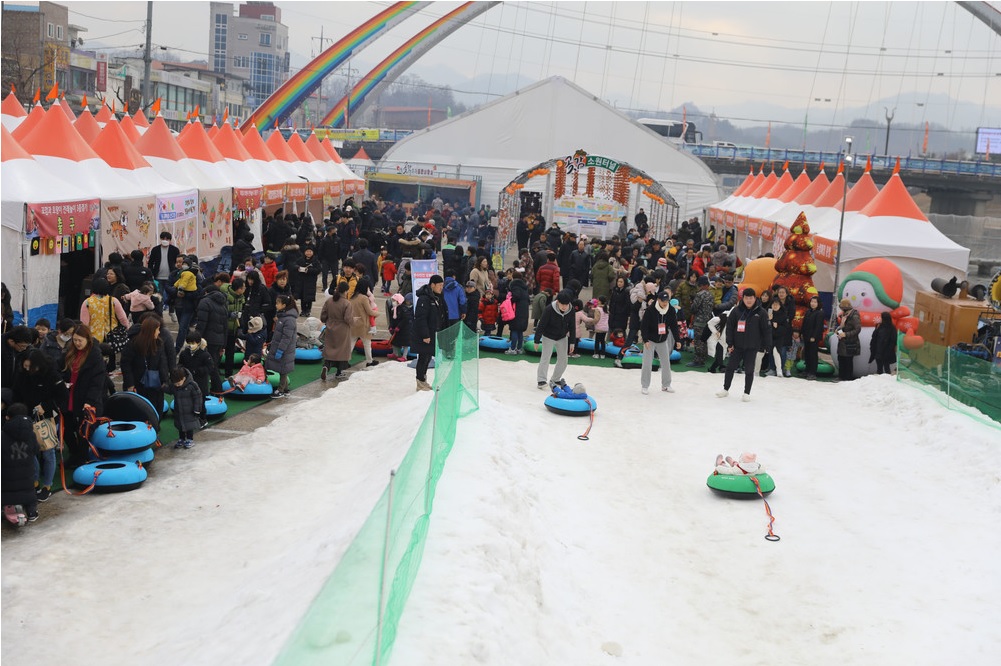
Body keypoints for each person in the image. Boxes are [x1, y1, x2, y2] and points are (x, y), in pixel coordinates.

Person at [11, 350, 66, 503]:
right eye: (25, 367)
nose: (28, 369)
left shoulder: (52, 374)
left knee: (48, 452)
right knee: (30, 451)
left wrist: (47, 407)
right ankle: (34, 482)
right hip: (27, 416)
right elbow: (16, 394)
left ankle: (47, 485)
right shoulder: (22, 375)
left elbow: (63, 397)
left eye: (30, 367)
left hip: (47, 418)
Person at [59, 324, 108, 467]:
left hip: (87, 400)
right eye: (75, 340)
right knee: (67, 428)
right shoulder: (70, 352)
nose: (77, 343)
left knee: (84, 431)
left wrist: (89, 401)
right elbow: (60, 368)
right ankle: (74, 454)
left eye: (80, 340)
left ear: (87, 339)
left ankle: (81, 457)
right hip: (70, 396)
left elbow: (97, 382)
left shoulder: (95, 356)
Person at [716, 288, 771, 402]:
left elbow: (766, 330)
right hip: (737, 346)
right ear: (743, 298)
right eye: (746, 298)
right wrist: (730, 343)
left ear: (755, 298)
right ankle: (725, 389)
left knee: (749, 370)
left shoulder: (761, 312)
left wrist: (766, 345)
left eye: (751, 298)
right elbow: (729, 328)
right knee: (730, 368)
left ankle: (746, 393)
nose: (749, 300)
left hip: (752, 347)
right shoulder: (736, 311)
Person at [120, 317, 170, 417]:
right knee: (139, 411)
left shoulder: (158, 343)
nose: (159, 332)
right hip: (138, 384)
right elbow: (125, 365)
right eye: (157, 329)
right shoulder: (133, 344)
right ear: (151, 331)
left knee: (156, 410)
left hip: (155, 385)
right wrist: (130, 384)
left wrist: (164, 380)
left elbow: (162, 363)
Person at [1, 396, 39, 523]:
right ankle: (31, 511)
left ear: (8, 417)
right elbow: (36, 450)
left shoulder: (3, 435)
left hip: (7, 477)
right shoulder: (31, 434)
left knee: (7, 488)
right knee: (28, 490)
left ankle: (6, 507)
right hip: (27, 474)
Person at [639, 290, 683, 394]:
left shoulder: (670, 310)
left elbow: (674, 326)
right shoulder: (650, 310)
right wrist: (645, 340)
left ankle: (666, 385)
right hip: (650, 340)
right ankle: (645, 385)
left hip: (663, 340)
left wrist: (677, 340)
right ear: (658, 300)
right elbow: (644, 326)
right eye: (663, 301)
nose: (665, 303)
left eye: (667, 301)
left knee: (666, 363)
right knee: (647, 363)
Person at [534, 290, 576, 390]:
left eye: (566, 304)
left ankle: (556, 379)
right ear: (557, 302)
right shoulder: (549, 309)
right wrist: (536, 340)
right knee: (545, 357)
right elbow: (541, 325)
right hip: (548, 336)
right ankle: (541, 380)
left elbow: (572, 326)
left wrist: (572, 342)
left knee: (563, 359)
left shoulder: (571, 310)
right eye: (562, 304)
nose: (564, 307)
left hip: (562, 337)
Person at [413, 275, 447, 391]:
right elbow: (420, 318)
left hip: (434, 333)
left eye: (442, 285)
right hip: (426, 335)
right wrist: (425, 335)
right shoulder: (424, 299)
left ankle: (423, 380)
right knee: (423, 358)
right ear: (432, 285)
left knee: (428, 358)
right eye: (439, 285)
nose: (441, 288)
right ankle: (420, 382)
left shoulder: (438, 297)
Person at [194, 284, 228, 394]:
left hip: (207, 339)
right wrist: (224, 344)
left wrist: (196, 338)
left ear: (206, 292)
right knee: (213, 364)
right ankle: (215, 388)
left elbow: (201, 323)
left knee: (209, 366)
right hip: (219, 340)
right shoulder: (222, 304)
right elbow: (225, 326)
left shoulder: (205, 302)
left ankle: (216, 389)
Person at [320, 282, 353, 380]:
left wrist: (328, 321)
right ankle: (339, 372)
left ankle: (326, 366)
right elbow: (348, 318)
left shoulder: (329, 301)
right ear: (346, 291)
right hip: (343, 328)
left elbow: (323, 316)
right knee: (342, 351)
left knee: (330, 349)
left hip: (330, 327)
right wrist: (354, 321)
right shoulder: (347, 303)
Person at [266, 295, 297, 397]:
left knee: (283, 370)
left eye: (278, 303)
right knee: (281, 369)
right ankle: (285, 388)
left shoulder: (289, 320)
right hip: (280, 347)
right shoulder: (282, 317)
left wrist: (280, 350)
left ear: (284, 305)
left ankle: (281, 389)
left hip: (285, 349)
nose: (276, 305)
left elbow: (286, 338)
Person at [163, 367, 202, 449]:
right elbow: (170, 390)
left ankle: (190, 439)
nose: (177, 385)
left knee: (189, 426)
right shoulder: (174, 386)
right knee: (180, 426)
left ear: (183, 378)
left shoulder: (192, 385)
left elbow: (197, 397)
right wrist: (163, 387)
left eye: (178, 383)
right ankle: (182, 439)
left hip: (189, 411)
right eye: (175, 384)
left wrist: (197, 409)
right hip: (179, 410)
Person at [349, 278, 380, 368]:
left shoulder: (352, 297)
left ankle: (344, 360)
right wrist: (377, 313)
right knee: (367, 344)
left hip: (353, 323)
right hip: (363, 324)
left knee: (351, 343)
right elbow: (369, 311)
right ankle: (369, 361)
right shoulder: (364, 298)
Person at [220, 277, 246, 377]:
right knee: (219, 351)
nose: (245, 289)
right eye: (243, 287)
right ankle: (214, 372)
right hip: (223, 329)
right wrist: (230, 314)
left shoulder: (241, 298)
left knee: (230, 353)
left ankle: (228, 374)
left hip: (234, 329)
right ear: (238, 289)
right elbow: (220, 312)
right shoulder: (225, 296)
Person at [687, 276, 715, 368]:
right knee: (704, 339)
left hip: (699, 321)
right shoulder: (711, 295)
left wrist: (691, 305)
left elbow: (694, 308)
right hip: (708, 320)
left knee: (698, 341)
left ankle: (698, 361)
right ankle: (704, 356)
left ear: (701, 285)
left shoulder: (699, 295)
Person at [177, 331, 214, 398]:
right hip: (186, 383)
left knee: (200, 402)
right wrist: (182, 371)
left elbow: (210, 367)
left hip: (200, 383)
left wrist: (198, 371)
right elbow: (180, 364)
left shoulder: (205, 355)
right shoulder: (184, 353)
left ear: (198, 343)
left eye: (193, 343)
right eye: (189, 343)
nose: (191, 345)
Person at [801, 296, 825, 380]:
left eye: (815, 302)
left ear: (818, 303)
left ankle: (812, 372)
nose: (813, 304)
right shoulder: (808, 311)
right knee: (807, 354)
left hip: (813, 337)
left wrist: (814, 336)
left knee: (813, 355)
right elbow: (804, 323)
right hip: (806, 336)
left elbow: (818, 327)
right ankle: (807, 370)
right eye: (812, 302)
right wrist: (802, 333)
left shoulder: (820, 313)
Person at [293, 246, 321, 317]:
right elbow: (294, 266)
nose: (308, 253)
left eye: (310, 251)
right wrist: (298, 268)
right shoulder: (300, 260)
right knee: (302, 297)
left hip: (310, 282)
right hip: (301, 282)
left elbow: (318, 270)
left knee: (309, 297)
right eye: (307, 251)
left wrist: (309, 270)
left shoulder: (315, 261)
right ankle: (303, 310)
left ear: (313, 252)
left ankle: (308, 310)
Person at [506, 273, 530, 354]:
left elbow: (516, 296)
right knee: (520, 331)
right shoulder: (524, 287)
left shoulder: (515, 286)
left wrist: (510, 300)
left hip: (516, 311)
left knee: (514, 329)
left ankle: (512, 349)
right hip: (524, 311)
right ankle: (519, 348)